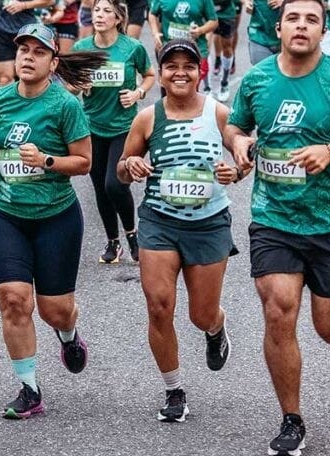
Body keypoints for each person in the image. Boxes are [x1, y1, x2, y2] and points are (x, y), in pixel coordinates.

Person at [225, 0, 330, 456]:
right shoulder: (256, 80)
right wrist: (238, 145)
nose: (300, 25)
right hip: (274, 218)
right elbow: (236, 126)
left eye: (311, 20)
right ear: (278, 29)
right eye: (292, 18)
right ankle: (291, 419)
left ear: (322, 29)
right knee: (278, 309)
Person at [0, 23, 104, 419]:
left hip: (56, 217)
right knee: (14, 300)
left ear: (53, 61)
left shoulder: (65, 105)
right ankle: (30, 389)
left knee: (55, 309)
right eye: (23, 51)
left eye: (37, 52)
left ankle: (68, 336)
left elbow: (84, 163)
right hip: (6, 215)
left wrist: (47, 161)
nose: (27, 57)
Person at [119, 37, 243, 424]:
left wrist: (237, 170)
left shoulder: (219, 113)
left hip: (208, 224)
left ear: (199, 71)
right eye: (171, 66)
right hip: (159, 221)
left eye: (188, 66)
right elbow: (122, 167)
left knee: (200, 314)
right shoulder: (148, 118)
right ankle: (174, 390)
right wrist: (131, 167)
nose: (180, 73)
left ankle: (216, 327)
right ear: (162, 74)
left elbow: (243, 153)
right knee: (158, 306)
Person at [73, 0, 154, 264]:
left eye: (107, 11)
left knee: (115, 184)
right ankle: (113, 241)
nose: (100, 15)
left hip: (123, 126)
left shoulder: (132, 48)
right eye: (97, 9)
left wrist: (137, 94)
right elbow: (70, 87)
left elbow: (150, 75)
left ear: (119, 17)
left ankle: (132, 234)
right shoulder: (82, 48)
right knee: (99, 186)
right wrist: (79, 85)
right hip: (92, 126)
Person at [149, 0, 218, 81]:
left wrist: (200, 30)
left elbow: (213, 21)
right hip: (168, 48)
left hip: (195, 49)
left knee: (190, 93)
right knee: (167, 93)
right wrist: (155, 33)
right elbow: (152, 14)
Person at [198, 0, 244, 101]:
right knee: (204, 49)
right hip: (206, 14)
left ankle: (224, 82)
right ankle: (208, 87)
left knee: (227, 48)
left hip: (226, 11)